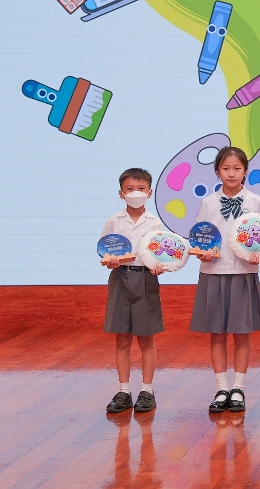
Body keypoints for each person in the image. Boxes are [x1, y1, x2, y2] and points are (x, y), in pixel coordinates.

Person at [189, 146, 260, 414]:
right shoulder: (208, 203)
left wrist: (259, 255)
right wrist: (202, 252)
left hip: (244, 273)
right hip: (213, 272)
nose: (231, 173)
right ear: (217, 171)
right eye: (226, 168)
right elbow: (200, 237)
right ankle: (222, 387)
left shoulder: (256, 202)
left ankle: (238, 388)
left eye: (237, 168)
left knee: (242, 333)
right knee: (217, 332)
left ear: (245, 171)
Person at [100, 167, 166, 414]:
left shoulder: (155, 222)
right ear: (121, 193)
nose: (135, 193)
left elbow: (161, 252)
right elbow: (104, 251)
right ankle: (124, 390)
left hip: (146, 279)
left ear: (149, 192)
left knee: (146, 337)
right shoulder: (114, 221)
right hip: (120, 278)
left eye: (140, 189)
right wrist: (110, 260)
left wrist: (160, 266)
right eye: (129, 189)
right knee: (122, 337)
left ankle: (147, 390)